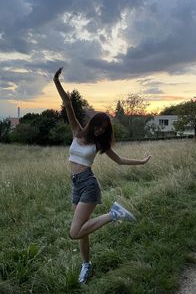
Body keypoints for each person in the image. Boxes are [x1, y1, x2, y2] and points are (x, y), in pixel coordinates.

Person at [53, 67, 151, 284]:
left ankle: (113, 214)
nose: (100, 131)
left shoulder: (100, 144)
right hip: (76, 184)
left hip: (88, 185)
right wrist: (56, 82)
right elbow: (68, 104)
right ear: (92, 123)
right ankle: (86, 265)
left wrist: (141, 162)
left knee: (74, 232)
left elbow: (119, 160)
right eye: (98, 126)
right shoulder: (77, 132)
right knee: (83, 231)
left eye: (104, 129)